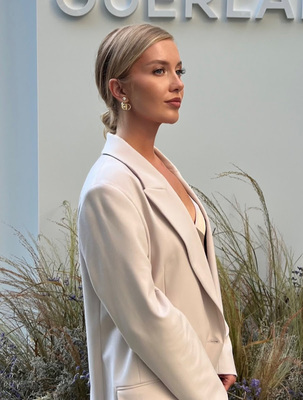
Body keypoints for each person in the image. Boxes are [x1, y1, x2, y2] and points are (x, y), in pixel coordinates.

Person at [78, 24, 237, 400]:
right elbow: (144, 313)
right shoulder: (108, 188)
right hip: (152, 389)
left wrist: (221, 356)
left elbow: (197, 282)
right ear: (119, 90)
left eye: (179, 70)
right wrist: (209, 392)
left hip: (194, 380)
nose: (177, 84)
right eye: (159, 71)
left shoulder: (163, 169)